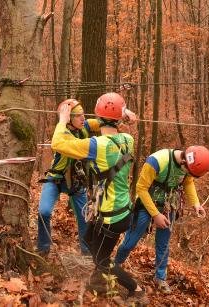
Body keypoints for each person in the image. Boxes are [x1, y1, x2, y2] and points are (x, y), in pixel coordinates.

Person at [52, 93, 148, 304]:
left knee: (102, 259)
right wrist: (125, 115)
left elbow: (58, 143)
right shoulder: (127, 139)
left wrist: (62, 121)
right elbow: (112, 122)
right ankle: (99, 279)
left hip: (111, 217)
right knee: (88, 239)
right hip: (121, 209)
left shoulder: (97, 146)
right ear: (118, 118)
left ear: (97, 115)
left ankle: (136, 289)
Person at [37, 98, 137, 256]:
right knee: (44, 212)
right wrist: (61, 120)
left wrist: (122, 113)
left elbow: (104, 121)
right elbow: (57, 142)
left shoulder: (83, 127)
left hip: (76, 181)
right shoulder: (61, 132)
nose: (83, 118)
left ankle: (87, 252)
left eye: (83, 114)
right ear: (69, 119)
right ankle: (43, 247)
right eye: (78, 116)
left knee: (85, 219)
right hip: (55, 179)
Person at [115, 146, 209, 294]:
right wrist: (155, 215)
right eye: (190, 172)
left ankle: (160, 277)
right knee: (131, 241)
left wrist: (196, 204)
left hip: (168, 204)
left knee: (163, 244)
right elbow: (141, 188)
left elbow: (188, 182)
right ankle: (114, 266)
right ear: (184, 161)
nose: (189, 175)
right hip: (146, 203)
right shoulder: (156, 161)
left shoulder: (189, 165)